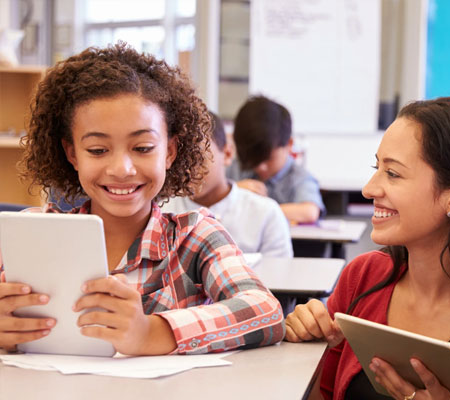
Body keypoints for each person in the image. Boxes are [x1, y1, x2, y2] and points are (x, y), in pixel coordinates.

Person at [0, 43, 285, 355]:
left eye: (143, 147)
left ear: (170, 152)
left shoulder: (195, 237)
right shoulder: (35, 233)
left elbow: (265, 313)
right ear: (72, 154)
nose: (122, 169)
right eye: (97, 150)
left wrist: (152, 332)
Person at [285, 97, 450, 400]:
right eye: (377, 167)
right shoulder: (363, 276)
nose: (369, 188)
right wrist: (308, 347)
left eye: (393, 173)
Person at [161, 111, 293, 258]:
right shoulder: (161, 215)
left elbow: (278, 276)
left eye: (198, 159)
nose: (187, 170)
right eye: (179, 161)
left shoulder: (266, 214)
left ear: (228, 153)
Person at [226, 95, 325, 224]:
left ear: (289, 144)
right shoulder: (235, 168)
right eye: (253, 159)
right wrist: (233, 191)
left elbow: (310, 212)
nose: (261, 167)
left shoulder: (298, 177)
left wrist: (257, 209)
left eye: (268, 159)